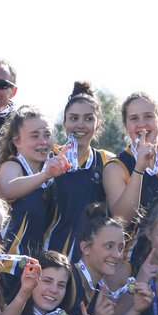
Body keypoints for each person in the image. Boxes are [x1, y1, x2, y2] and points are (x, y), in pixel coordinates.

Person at [0, 105, 70, 299]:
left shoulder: (48, 173)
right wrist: (45, 175)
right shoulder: (12, 165)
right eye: (34, 136)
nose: (43, 141)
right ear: (17, 141)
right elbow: (8, 189)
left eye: (47, 135)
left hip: (29, 273)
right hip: (2, 270)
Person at [41, 81, 114, 261]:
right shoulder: (47, 157)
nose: (80, 125)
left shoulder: (107, 161)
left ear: (98, 124)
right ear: (64, 122)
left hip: (86, 262)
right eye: (74, 118)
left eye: (88, 119)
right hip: (46, 257)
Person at [103, 91, 158, 226]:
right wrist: (138, 170)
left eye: (148, 116)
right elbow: (121, 221)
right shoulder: (115, 167)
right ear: (126, 126)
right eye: (134, 118)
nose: (142, 124)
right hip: (135, 247)